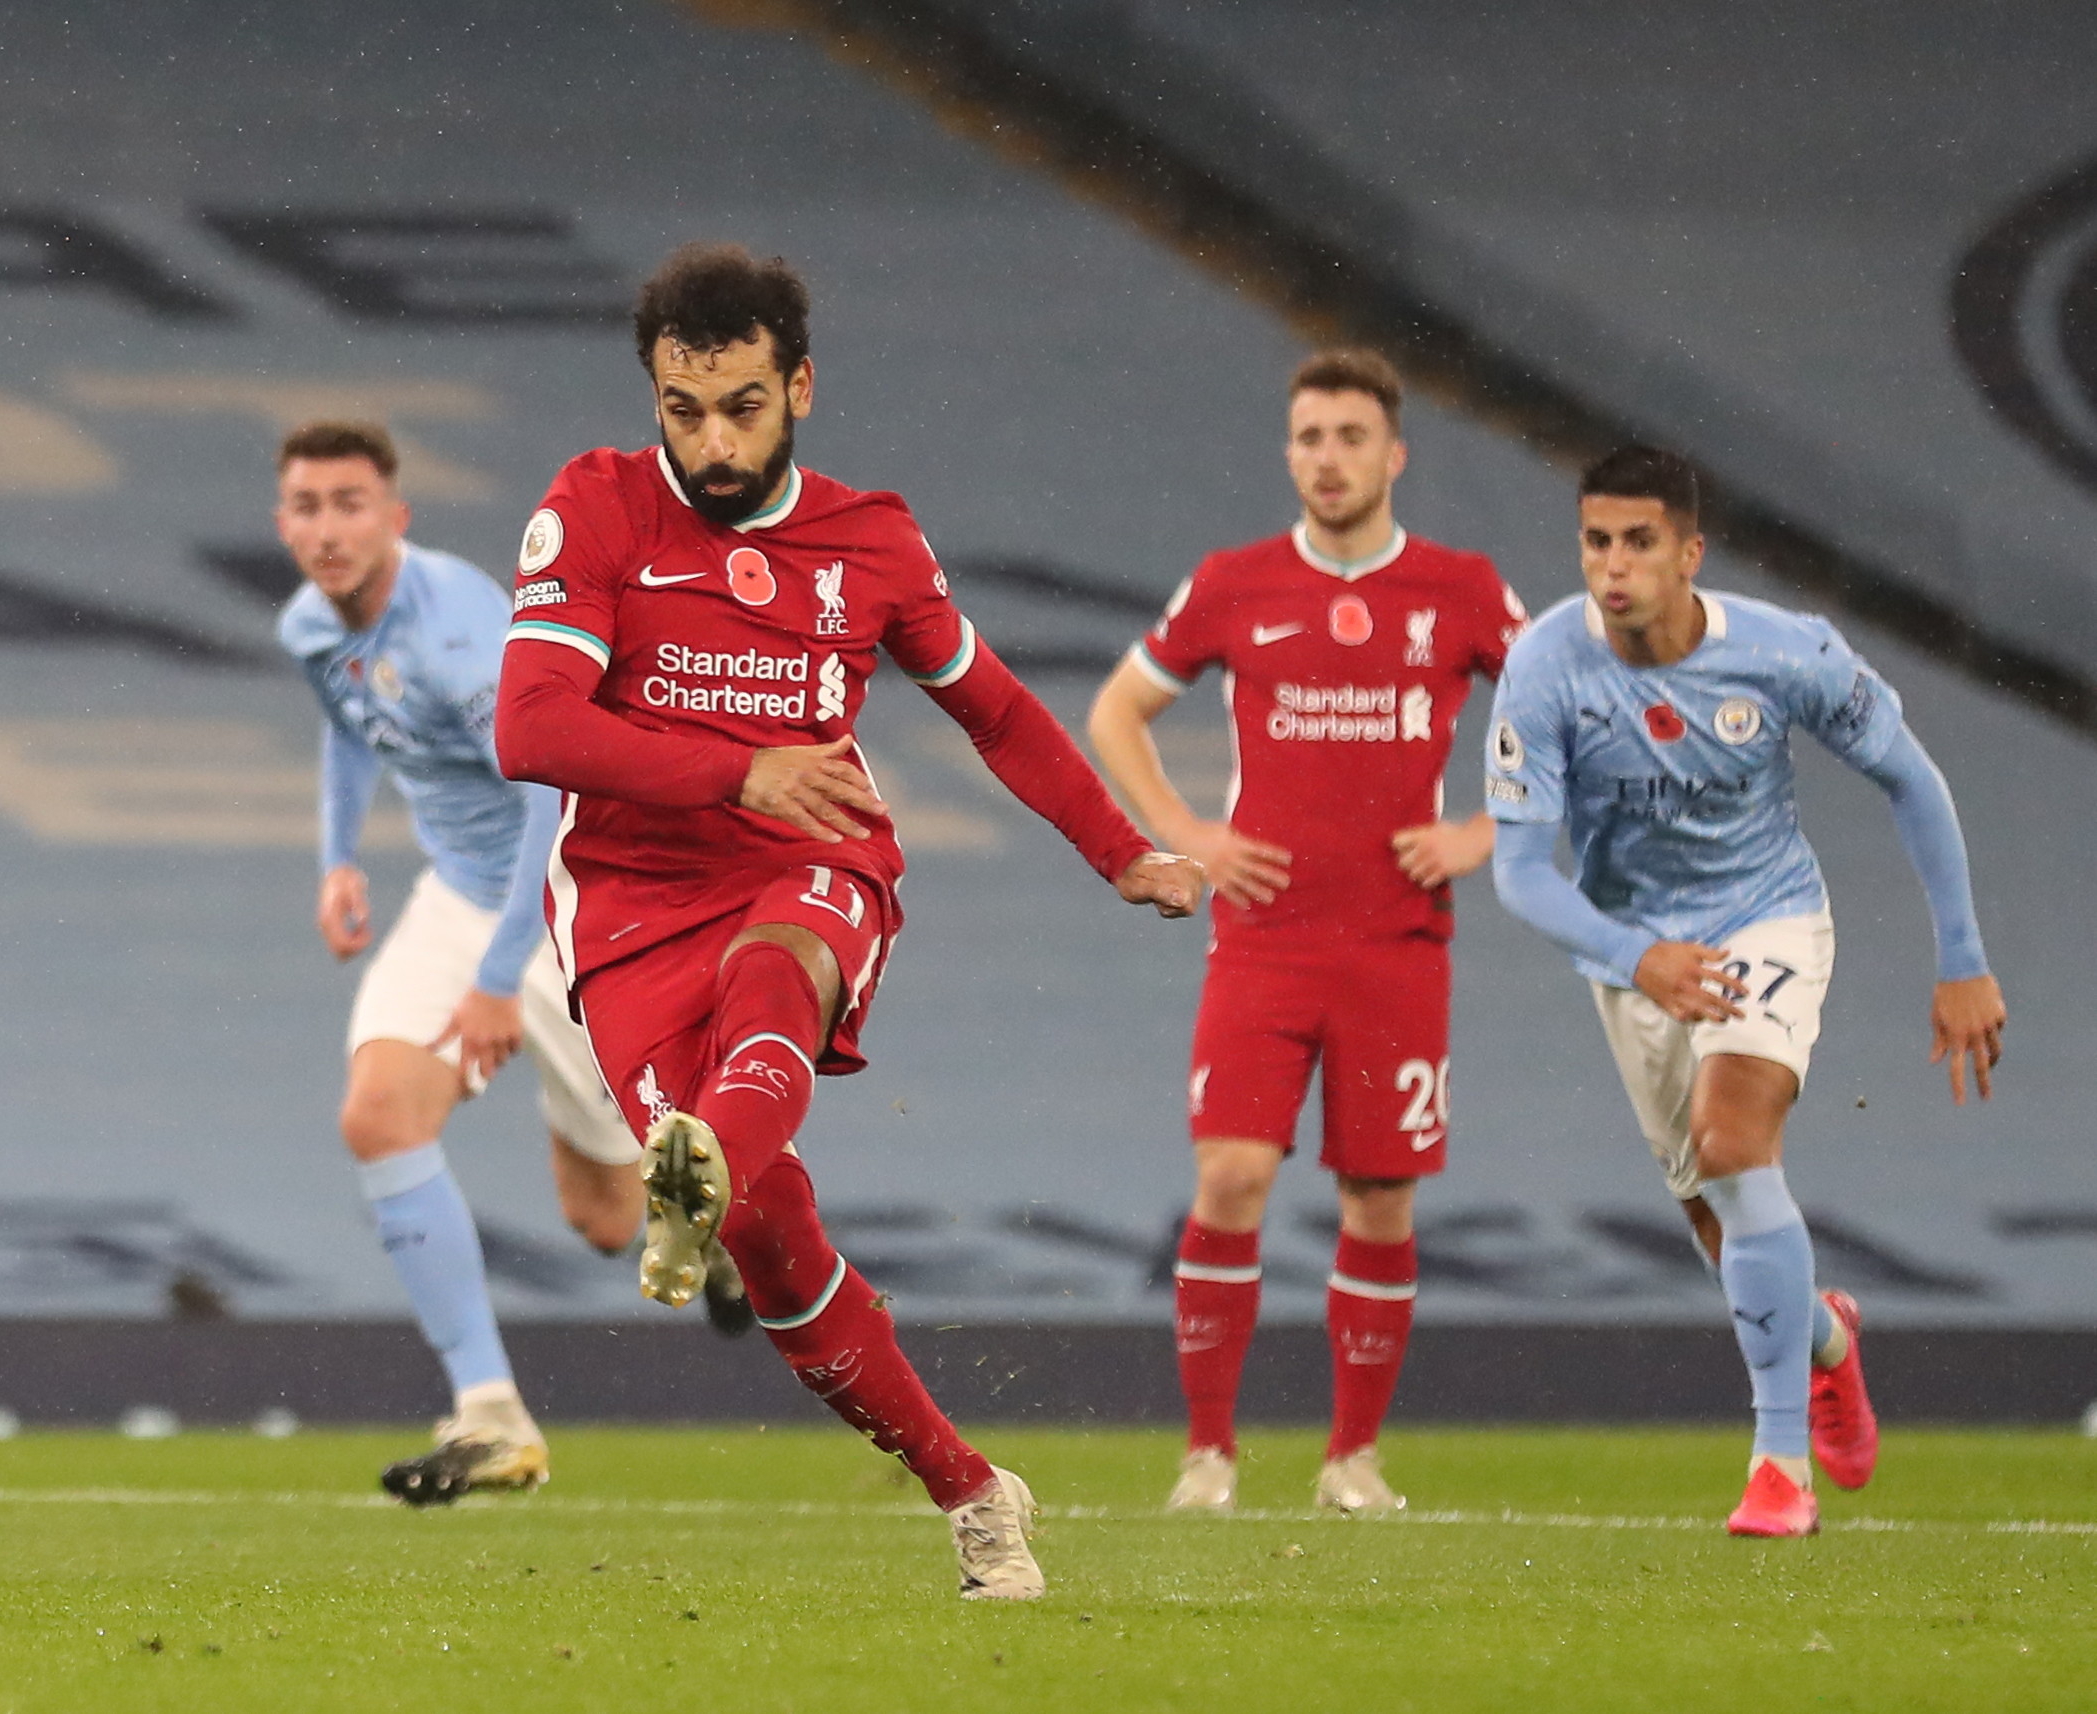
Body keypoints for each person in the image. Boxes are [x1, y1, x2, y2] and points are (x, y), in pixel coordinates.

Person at [495, 242, 1204, 1601]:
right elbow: (530, 727)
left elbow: (992, 706)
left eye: (741, 406)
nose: (708, 440)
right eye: (681, 407)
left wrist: (1116, 851)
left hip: (811, 858)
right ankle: (970, 1489)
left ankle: (698, 1162)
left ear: (799, 387)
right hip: (632, 908)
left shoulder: (868, 539)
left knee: (784, 960)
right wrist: (733, 765)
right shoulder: (591, 509)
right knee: (767, 1238)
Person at [1486, 445, 2004, 1537]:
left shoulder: (1783, 654)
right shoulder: (1541, 667)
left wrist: (1958, 955)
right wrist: (1635, 957)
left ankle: (1777, 1469)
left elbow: (1910, 776)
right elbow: (1521, 870)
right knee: (1716, 1215)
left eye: (1637, 542)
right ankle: (1822, 1339)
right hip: (1629, 955)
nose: (1612, 565)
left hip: (1760, 918)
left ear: (1687, 552)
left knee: (1731, 1145)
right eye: (1593, 541)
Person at [1085, 349, 1528, 1516]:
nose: (1325, 458)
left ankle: (1350, 1459)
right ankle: (1208, 1453)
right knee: (1229, 1174)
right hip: (1264, 937)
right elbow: (1115, 708)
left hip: (1395, 943)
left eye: (1347, 436)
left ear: (1392, 455)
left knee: (1378, 1194)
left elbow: (1567, 712)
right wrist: (1186, 830)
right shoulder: (1235, 584)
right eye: (1307, 437)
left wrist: (1483, 833)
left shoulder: (1461, 587)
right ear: (1287, 453)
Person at [274, 420, 722, 1510]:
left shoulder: (461, 639)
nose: (325, 529)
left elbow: (548, 793)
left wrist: (500, 975)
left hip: (572, 894)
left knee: (608, 1220)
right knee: (378, 1115)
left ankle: (730, 1229)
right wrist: (337, 857)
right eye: (304, 505)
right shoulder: (306, 623)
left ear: (395, 517)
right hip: (463, 897)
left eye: (348, 503)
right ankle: (491, 1415)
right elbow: (347, 721)